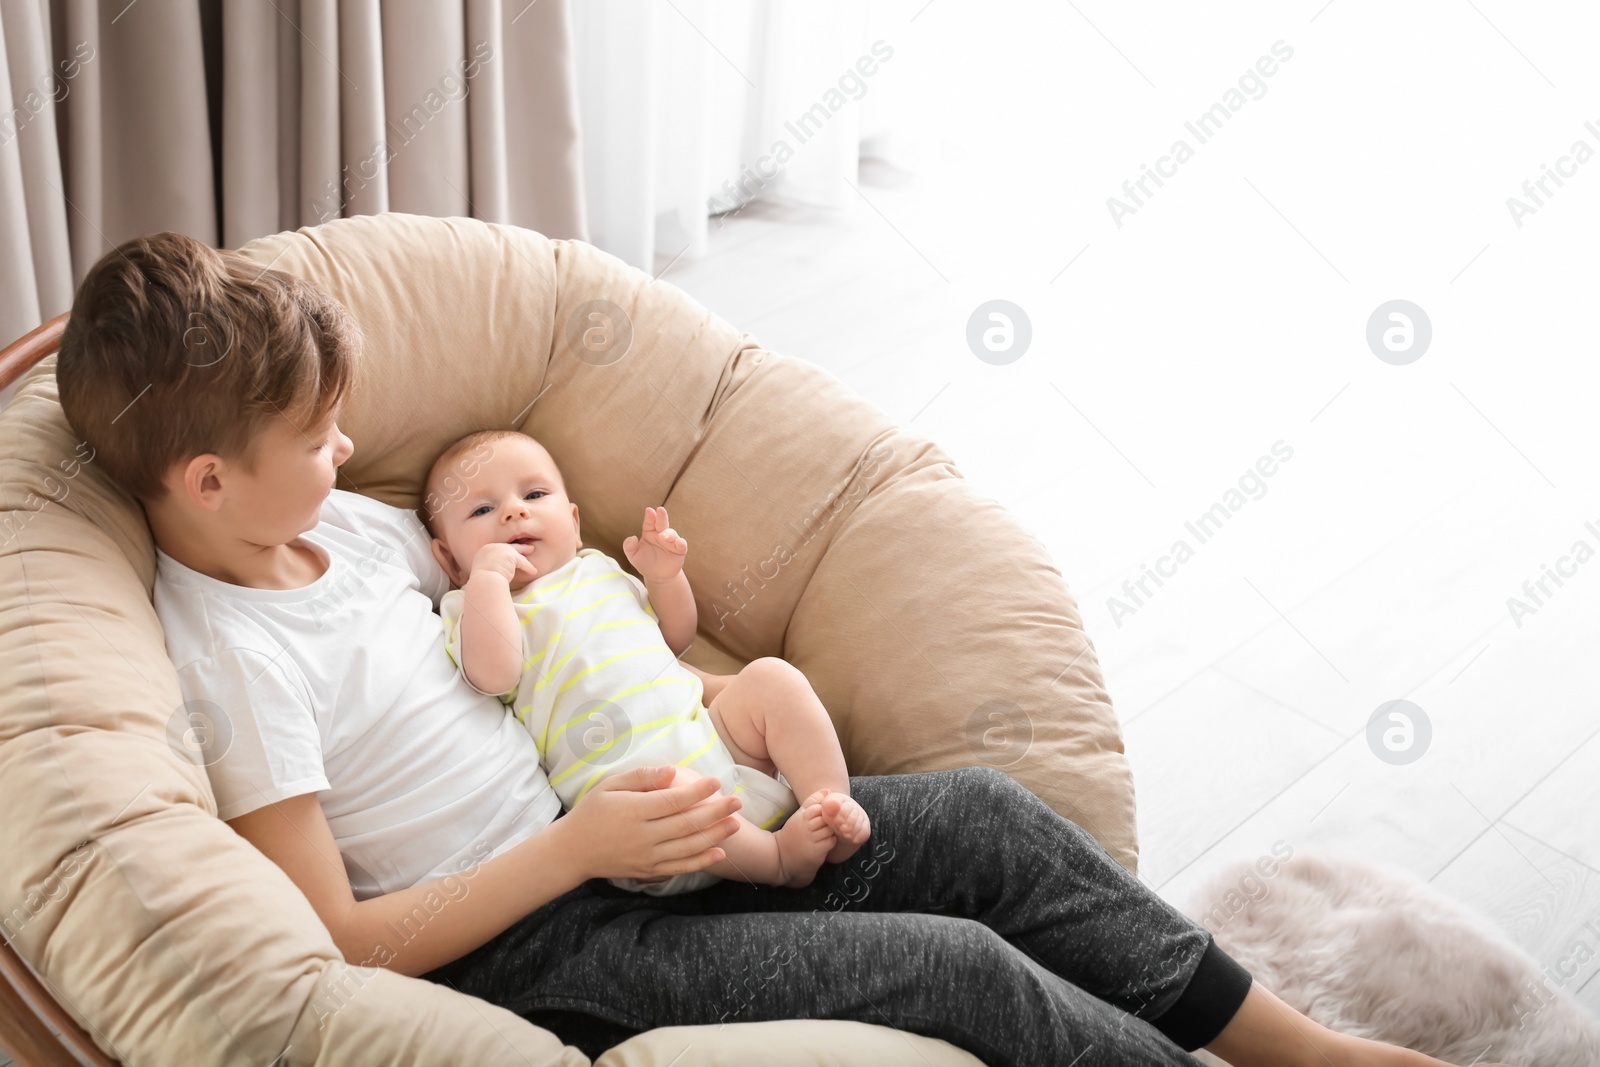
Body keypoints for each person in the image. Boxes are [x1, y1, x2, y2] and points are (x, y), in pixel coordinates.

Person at [52, 230, 1515, 1067]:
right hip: (549, 935)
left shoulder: (363, 531)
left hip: (650, 807)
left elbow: (561, 630)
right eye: (316, 437)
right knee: (958, 971)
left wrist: (705, 707)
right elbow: (339, 938)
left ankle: (1298, 1048)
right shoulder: (231, 658)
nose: (354, 446)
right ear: (203, 482)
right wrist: (575, 853)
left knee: (993, 818)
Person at [420, 428, 871, 893]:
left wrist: (663, 579)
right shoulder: (473, 608)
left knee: (771, 678)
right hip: (648, 823)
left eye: (534, 494)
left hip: (720, 748)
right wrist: (488, 580)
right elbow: (494, 675)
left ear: (573, 524)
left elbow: (674, 640)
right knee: (669, 786)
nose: (515, 511)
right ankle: (777, 862)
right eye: (481, 509)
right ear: (451, 561)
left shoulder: (599, 570)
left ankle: (829, 805)